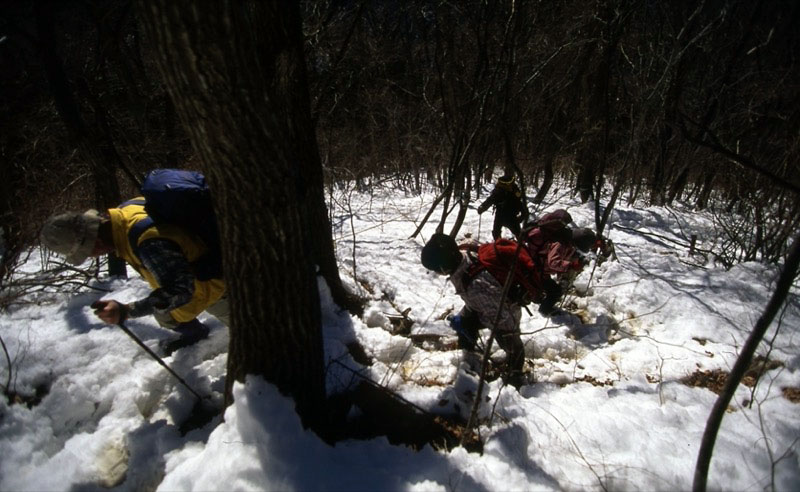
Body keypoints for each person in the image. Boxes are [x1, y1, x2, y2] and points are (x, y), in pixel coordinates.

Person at [40, 203, 228, 355]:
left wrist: (127, 310)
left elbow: (181, 291)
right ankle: (196, 334)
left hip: (218, 284)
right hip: (204, 269)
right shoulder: (126, 212)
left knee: (252, 339)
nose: (92, 257)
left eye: (87, 253)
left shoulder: (146, 242)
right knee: (164, 313)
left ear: (95, 244)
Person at [421, 233, 531, 387]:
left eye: (435, 269)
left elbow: (499, 317)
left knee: (510, 342)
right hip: (482, 302)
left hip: (506, 312)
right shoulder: (464, 254)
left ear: (443, 267)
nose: (436, 273)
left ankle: (515, 376)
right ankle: (469, 356)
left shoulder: (476, 286)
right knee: (465, 322)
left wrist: (470, 322)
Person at [477, 172, 528, 240]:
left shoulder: (514, 192)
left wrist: (522, 215)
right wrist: (482, 208)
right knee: (496, 233)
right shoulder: (499, 191)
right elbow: (490, 200)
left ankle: (520, 247)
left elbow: (520, 203)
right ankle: (498, 246)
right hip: (501, 215)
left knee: (518, 235)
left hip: (510, 216)